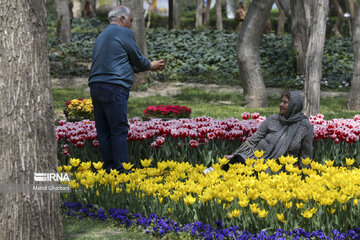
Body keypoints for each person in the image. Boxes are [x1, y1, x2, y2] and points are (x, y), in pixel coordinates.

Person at [88, 5, 166, 173]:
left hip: (96, 85)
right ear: (122, 19)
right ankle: (123, 172)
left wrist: (144, 67)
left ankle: (109, 170)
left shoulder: (102, 36)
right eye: (130, 20)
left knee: (104, 130)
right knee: (118, 129)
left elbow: (123, 62)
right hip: (114, 86)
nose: (131, 24)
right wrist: (150, 65)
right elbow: (137, 59)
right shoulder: (124, 33)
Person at [220, 91, 314, 172]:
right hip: (254, 156)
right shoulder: (273, 119)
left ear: (294, 105)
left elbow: (306, 153)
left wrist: (304, 172)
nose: (281, 104)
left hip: (278, 165)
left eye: (285, 102)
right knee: (232, 162)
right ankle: (210, 174)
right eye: (281, 101)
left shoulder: (305, 127)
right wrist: (234, 154)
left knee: (238, 170)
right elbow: (253, 139)